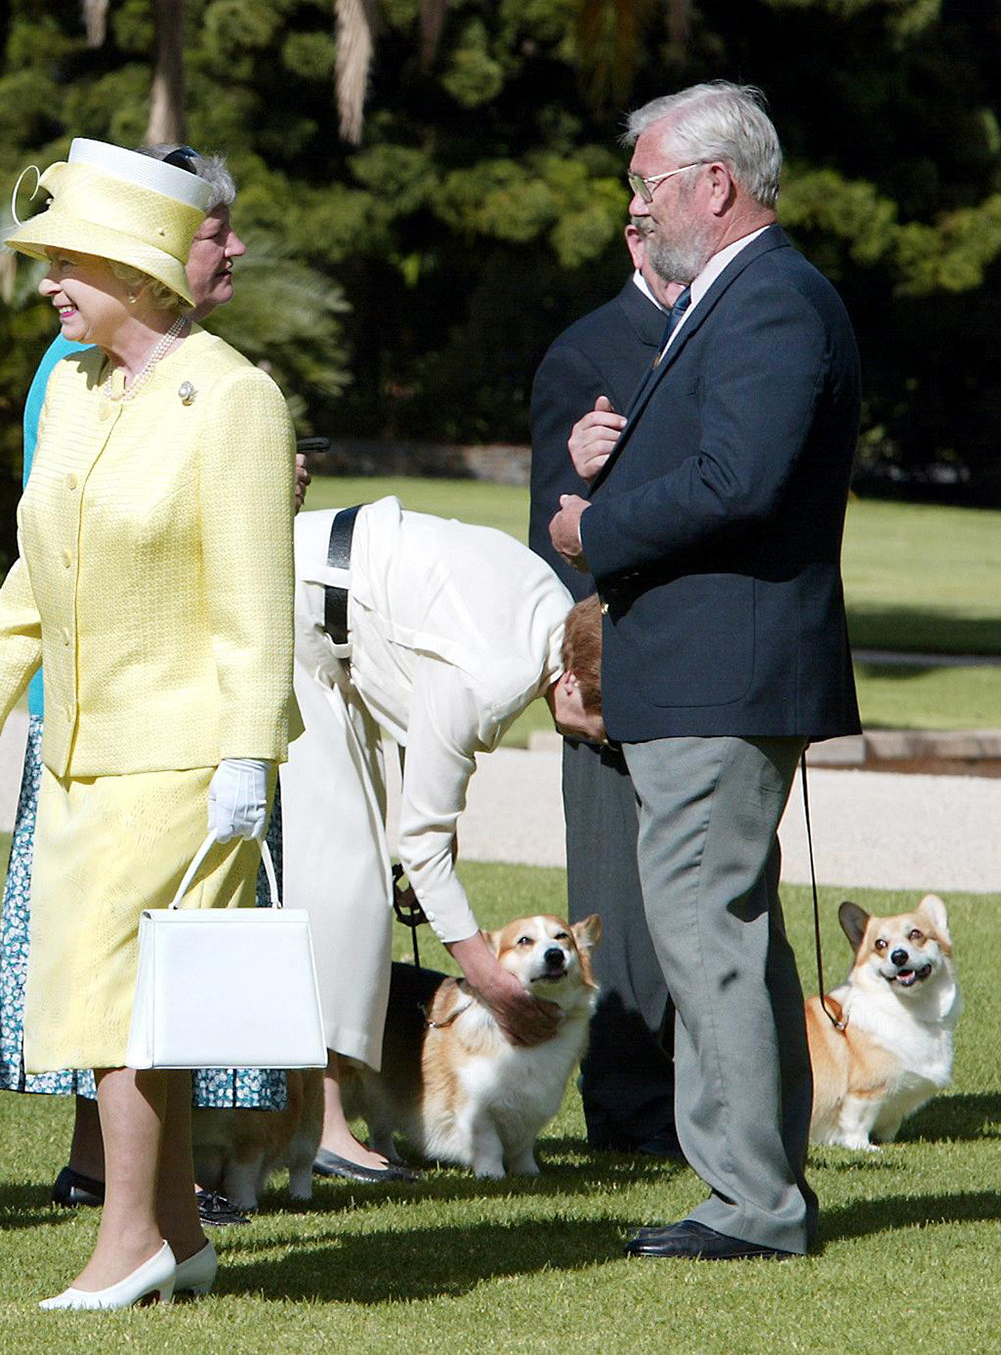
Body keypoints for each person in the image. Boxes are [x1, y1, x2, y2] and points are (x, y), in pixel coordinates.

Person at [0, 139, 297, 1309]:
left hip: (185, 755)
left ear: (141, 269)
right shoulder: (83, 386)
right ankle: (179, 1234)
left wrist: (248, 750)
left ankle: (129, 1239)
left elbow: (255, 597)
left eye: (69, 260)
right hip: (83, 754)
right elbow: (36, 567)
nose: (47, 282)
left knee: (124, 1004)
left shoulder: (232, 397)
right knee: (125, 998)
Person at [550, 81, 861, 1262]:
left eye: (648, 184)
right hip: (703, 665)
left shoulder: (771, 299)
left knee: (702, 930)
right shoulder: (733, 297)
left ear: (714, 185)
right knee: (729, 929)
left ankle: (748, 1202)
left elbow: (740, 482)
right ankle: (756, 1183)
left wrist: (596, 528)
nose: (639, 204)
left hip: (717, 670)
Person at [285, 499, 607, 1180]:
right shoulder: (492, 681)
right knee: (346, 879)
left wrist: (440, 830)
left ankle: (327, 1113)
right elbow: (421, 842)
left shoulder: (557, 616)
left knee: (360, 876)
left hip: (337, 604)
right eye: (604, 721)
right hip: (300, 604)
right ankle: (322, 1121)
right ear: (572, 680)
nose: (605, 739)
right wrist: (490, 981)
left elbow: (417, 682)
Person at [528, 220, 685, 1158]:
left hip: (706, 671)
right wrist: (570, 676)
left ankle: (716, 1106)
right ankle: (629, 1121)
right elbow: (550, 532)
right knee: (618, 908)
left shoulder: (727, 328)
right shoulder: (584, 349)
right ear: (636, 236)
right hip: (609, 675)